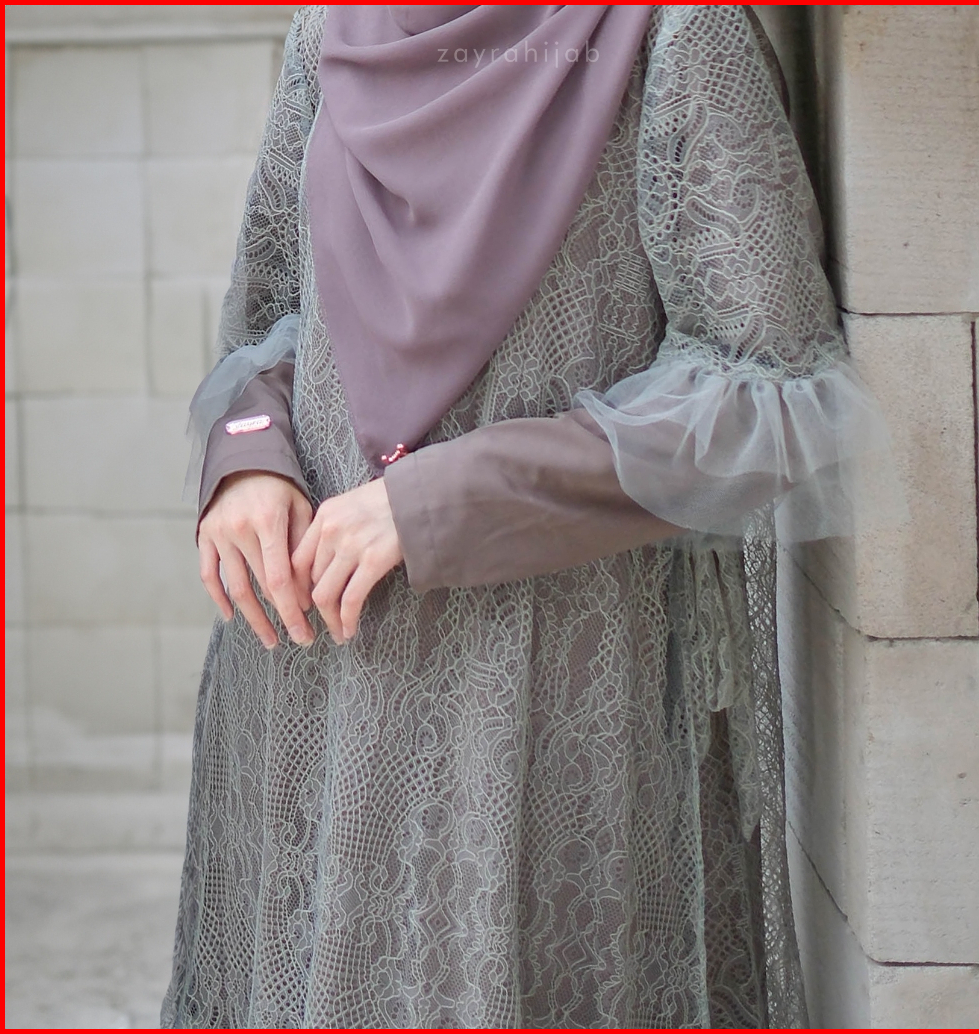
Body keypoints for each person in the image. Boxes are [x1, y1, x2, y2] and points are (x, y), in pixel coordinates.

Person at [162, 6, 896, 1028]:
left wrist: (451, 498)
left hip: (550, 687)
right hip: (314, 683)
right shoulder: (329, 29)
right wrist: (247, 458)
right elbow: (278, 317)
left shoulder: (676, 32)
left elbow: (769, 390)